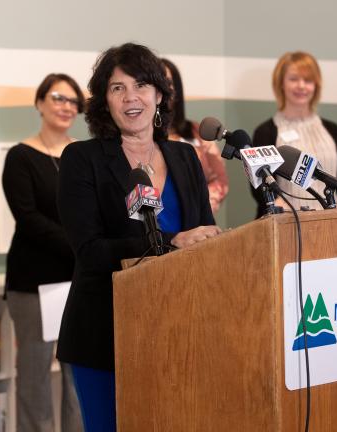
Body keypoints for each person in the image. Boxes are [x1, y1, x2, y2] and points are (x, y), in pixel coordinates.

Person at [56, 43, 221, 431]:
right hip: (104, 334)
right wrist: (171, 242)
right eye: (117, 88)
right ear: (105, 102)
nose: (131, 97)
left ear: (160, 95)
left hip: (180, 332)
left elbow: (205, 236)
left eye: (142, 85)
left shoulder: (184, 157)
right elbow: (90, 251)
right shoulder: (82, 159)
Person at [2, 73, 84, 432]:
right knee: (35, 380)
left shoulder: (82, 155)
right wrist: (82, 244)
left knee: (78, 380)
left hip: (79, 281)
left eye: (73, 101)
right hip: (34, 283)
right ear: (39, 103)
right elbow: (29, 218)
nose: (66, 106)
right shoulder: (21, 156)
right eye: (58, 98)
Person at [250, 51, 337, 217]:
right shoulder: (265, 132)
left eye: (307, 80)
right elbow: (261, 188)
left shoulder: (334, 131)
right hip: (286, 226)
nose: (301, 86)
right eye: (293, 79)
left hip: (334, 227)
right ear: (281, 84)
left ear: (316, 85)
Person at [160, 58, 229, 213]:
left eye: (168, 84)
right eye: (157, 84)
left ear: (177, 91)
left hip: (198, 222)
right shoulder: (138, 136)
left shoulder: (197, 132)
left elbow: (219, 180)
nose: (163, 91)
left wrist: (198, 209)